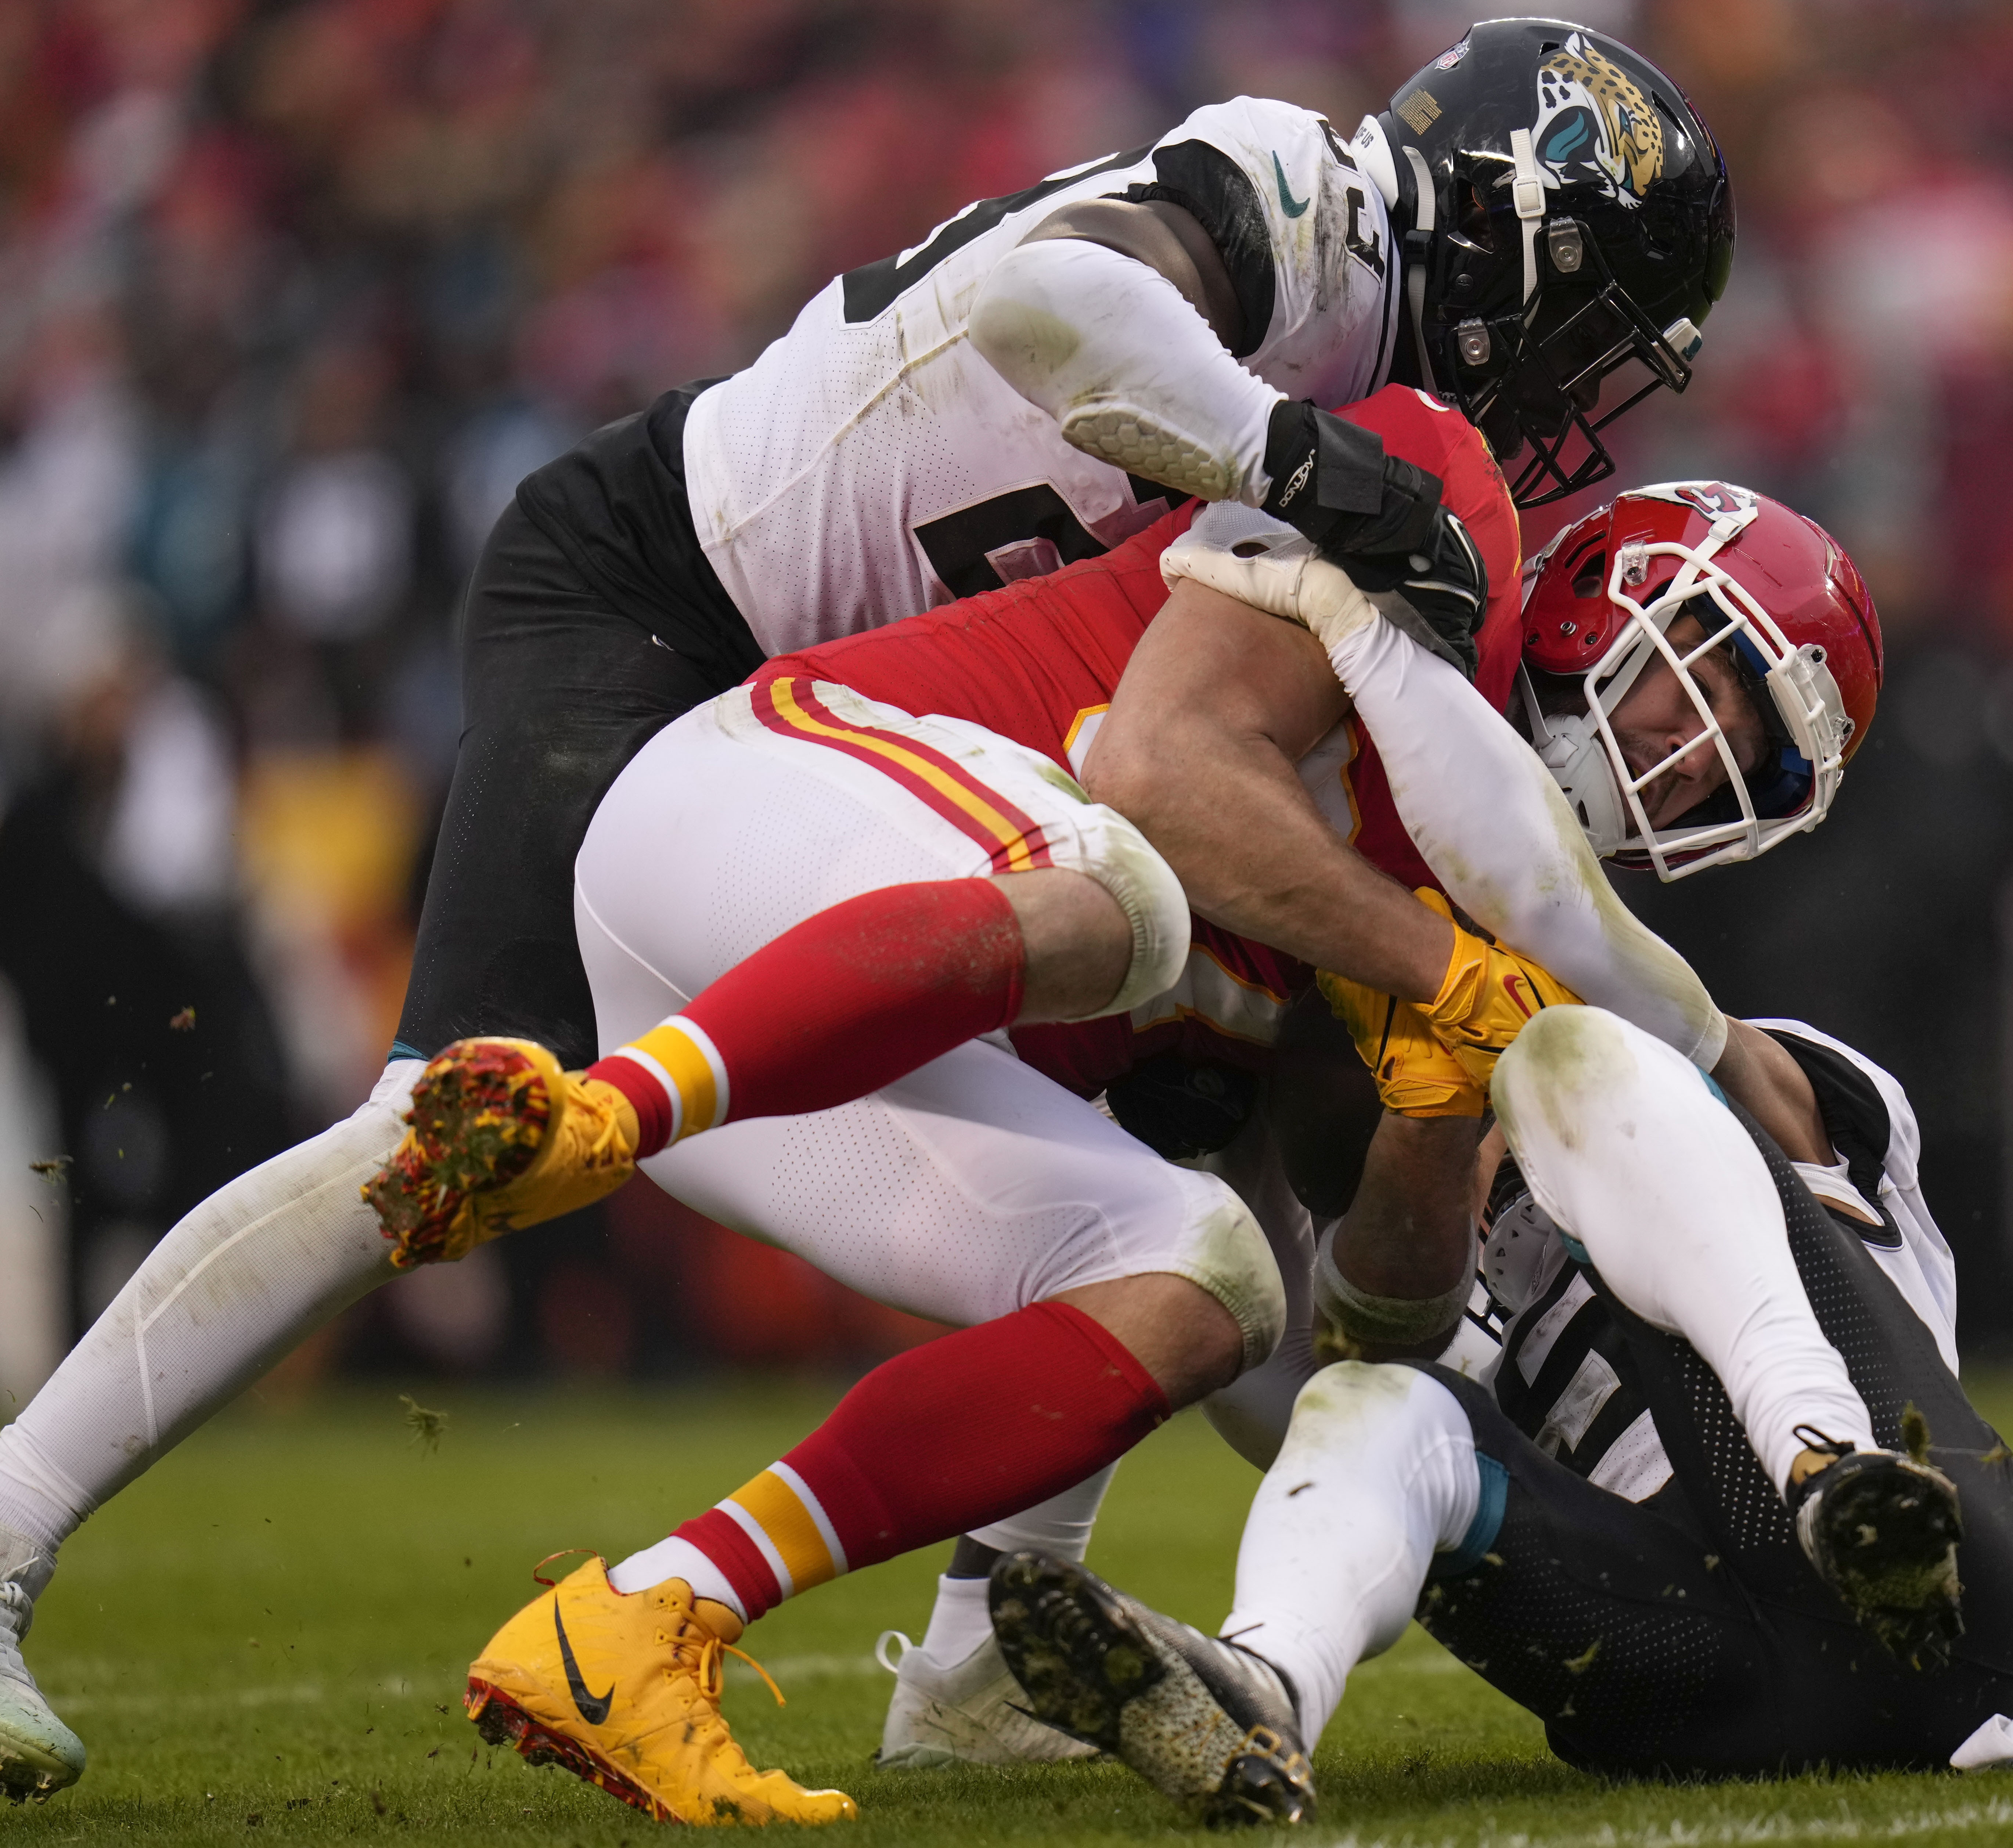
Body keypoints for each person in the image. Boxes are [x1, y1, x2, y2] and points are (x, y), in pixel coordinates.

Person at [0, 20, 1736, 1801]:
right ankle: (6, 1527)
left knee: (1174, 1133)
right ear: (1532, 230)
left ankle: (998, 1632)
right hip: (669, 603)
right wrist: (1295, 462)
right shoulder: (1315, 209)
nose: (1565, 394)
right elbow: (1051, 311)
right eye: (1592, 334)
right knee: (450, 1119)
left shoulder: (1377, 369)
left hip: (870, 716)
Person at [404, 437, 1879, 1824]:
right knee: (1128, 899)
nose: (1690, 760)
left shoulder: (1502, 930)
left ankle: (656, 1614)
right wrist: (1441, 973)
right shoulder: (1421, 533)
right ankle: (593, 1111)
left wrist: (1431, 1115)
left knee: (1203, 1278)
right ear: (1604, 594)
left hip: (875, 1031)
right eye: (1705, 684)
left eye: (1744, 763)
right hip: (780, 818)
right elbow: (1159, 776)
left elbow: (1359, 1328)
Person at [989, 1001, 2013, 1825]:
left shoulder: (1667, 1074)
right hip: (1705, 1679)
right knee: (1371, 1397)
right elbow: (1251, 1306)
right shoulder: (1366, 1293)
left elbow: (1667, 1041)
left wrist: (1504, 990)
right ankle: (1262, 1685)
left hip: (1944, 1594)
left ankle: (1823, 1456)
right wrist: (1224, 1113)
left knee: (1584, 1052)